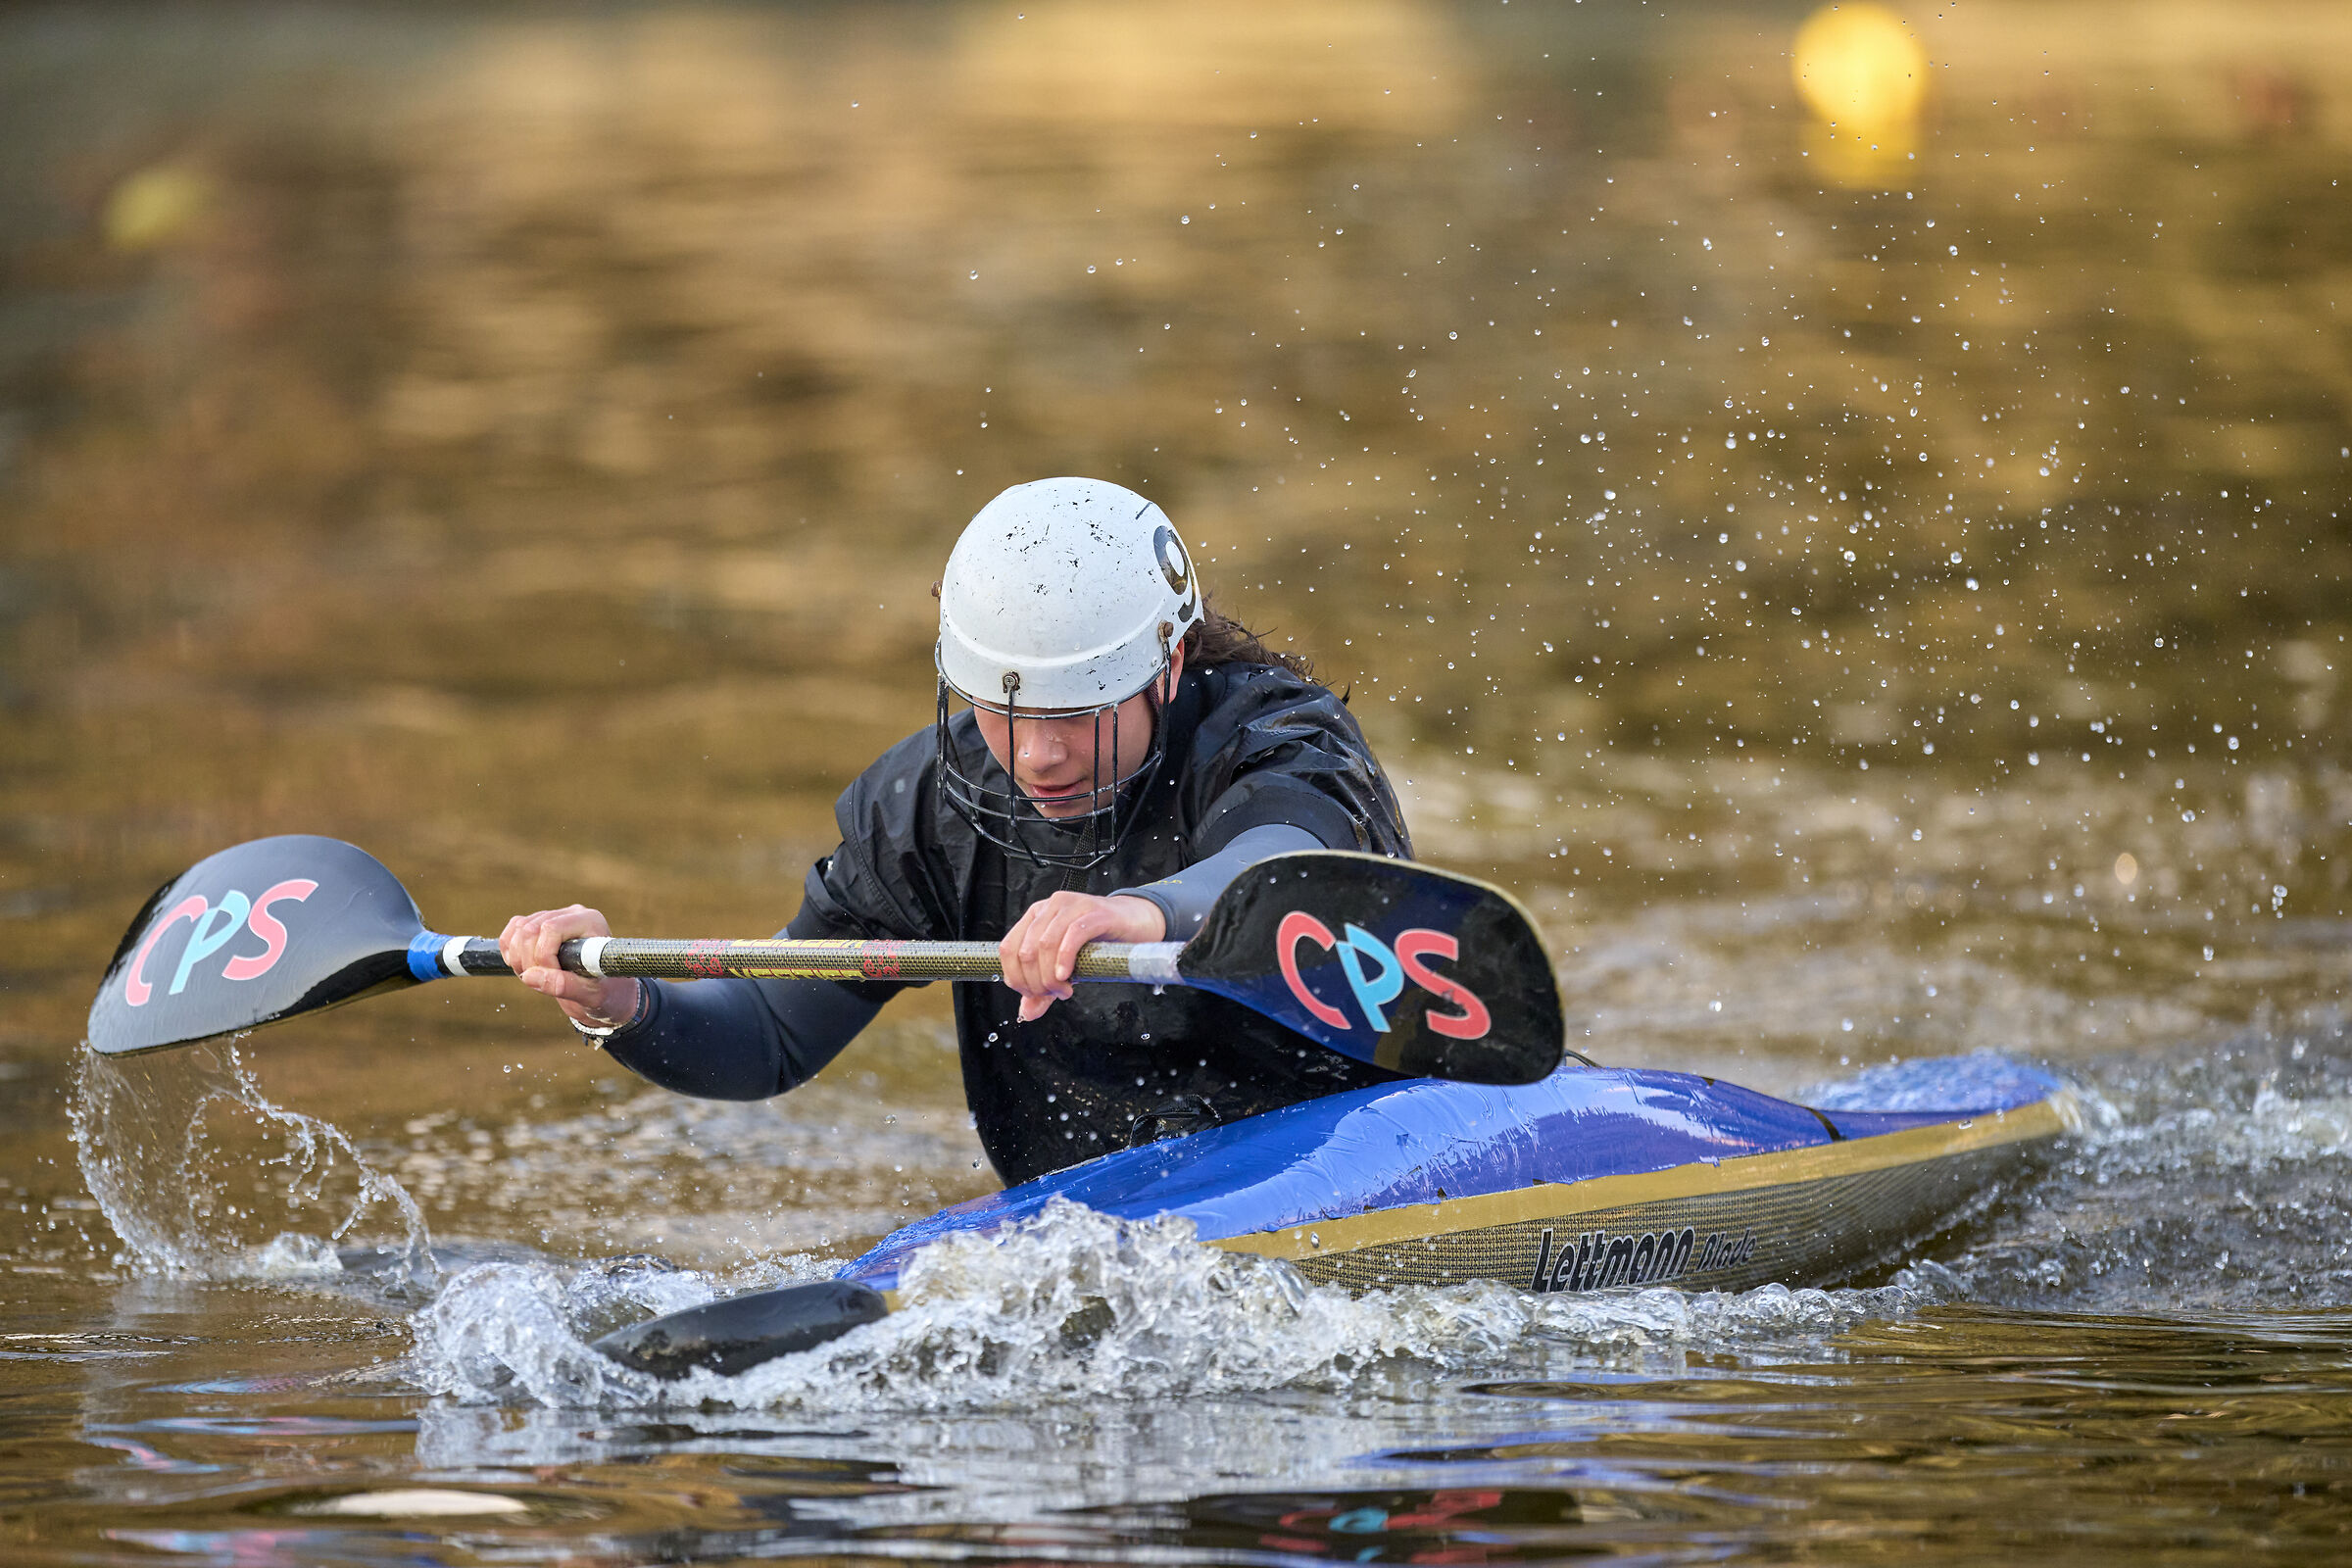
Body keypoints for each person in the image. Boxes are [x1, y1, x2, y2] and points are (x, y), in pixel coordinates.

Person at [499, 477, 1413, 1185]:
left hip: (1346, 1151)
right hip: (1097, 1208)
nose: (1037, 757)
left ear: (1168, 665)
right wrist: (624, 1004)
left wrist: (1137, 913)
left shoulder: (1275, 742)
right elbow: (773, 1031)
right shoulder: (931, 808)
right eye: (1003, 713)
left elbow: (1289, 865)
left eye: (1078, 715)